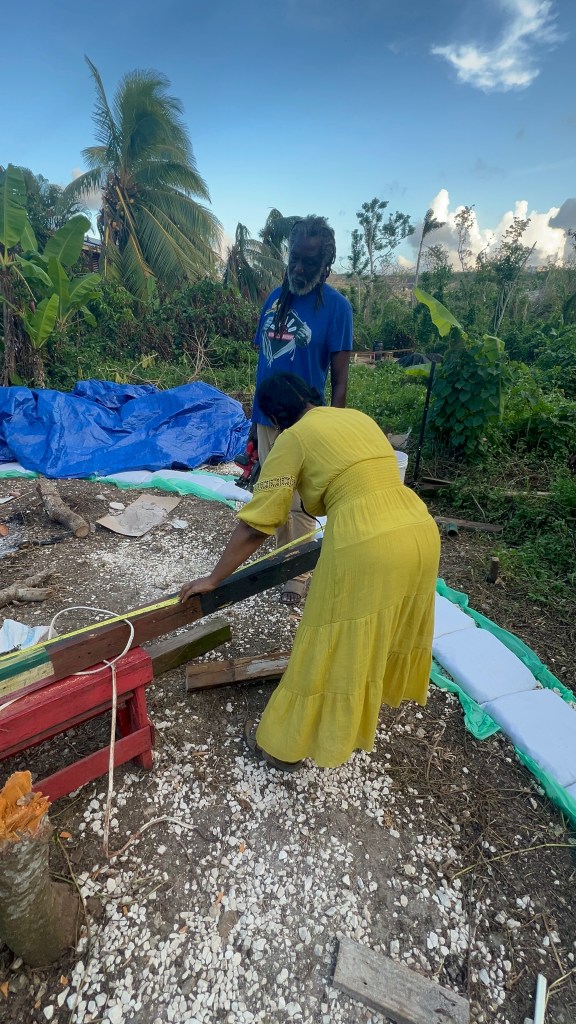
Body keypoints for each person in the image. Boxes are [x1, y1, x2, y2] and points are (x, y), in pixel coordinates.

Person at [180, 372, 441, 771]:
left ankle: (283, 748)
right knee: (372, 634)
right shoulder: (356, 417)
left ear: (274, 416)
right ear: (310, 395)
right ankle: (345, 725)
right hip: (419, 530)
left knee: (327, 641)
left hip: (367, 545)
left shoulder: (293, 439)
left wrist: (213, 579)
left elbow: (257, 525)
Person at [251, 215, 353, 607]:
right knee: (273, 493)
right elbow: (265, 363)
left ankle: (296, 577)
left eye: (308, 262)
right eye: (294, 258)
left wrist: (332, 429)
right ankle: (284, 559)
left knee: (300, 503)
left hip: (305, 424)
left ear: (325, 265)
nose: (297, 268)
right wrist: (254, 422)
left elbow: (340, 379)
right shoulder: (275, 299)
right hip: (267, 417)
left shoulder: (337, 308)